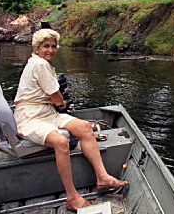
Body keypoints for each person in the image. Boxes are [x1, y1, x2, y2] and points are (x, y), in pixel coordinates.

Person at [14, 29, 127, 211]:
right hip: (30, 117)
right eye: (46, 46)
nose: (50, 50)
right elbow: (57, 98)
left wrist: (58, 105)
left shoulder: (39, 63)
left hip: (46, 113)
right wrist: (62, 103)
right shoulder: (40, 65)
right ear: (37, 48)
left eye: (53, 46)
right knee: (61, 142)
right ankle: (72, 197)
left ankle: (102, 177)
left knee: (84, 127)